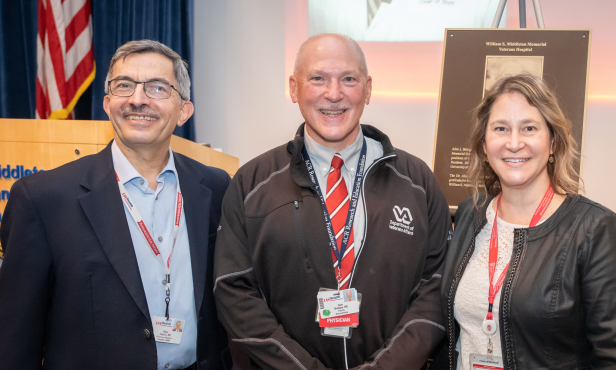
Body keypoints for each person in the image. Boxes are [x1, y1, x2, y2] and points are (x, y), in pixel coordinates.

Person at [213, 33, 452, 369]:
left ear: (368, 89)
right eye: (318, 79)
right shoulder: (252, 184)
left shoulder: (417, 182)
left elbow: (437, 286)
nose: (334, 94)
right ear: (294, 88)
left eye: (349, 79)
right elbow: (234, 291)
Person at [0, 40, 230, 369]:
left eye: (157, 88)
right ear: (107, 103)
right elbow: (15, 341)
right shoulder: (43, 199)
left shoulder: (216, 187)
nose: (138, 99)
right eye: (124, 86)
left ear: (184, 111)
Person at [438, 74, 616, 369]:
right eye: (501, 129)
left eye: (529, 128)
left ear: (553, 141)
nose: (514, 143)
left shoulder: (595, 229)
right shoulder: (471, 213)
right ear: (484, 144)